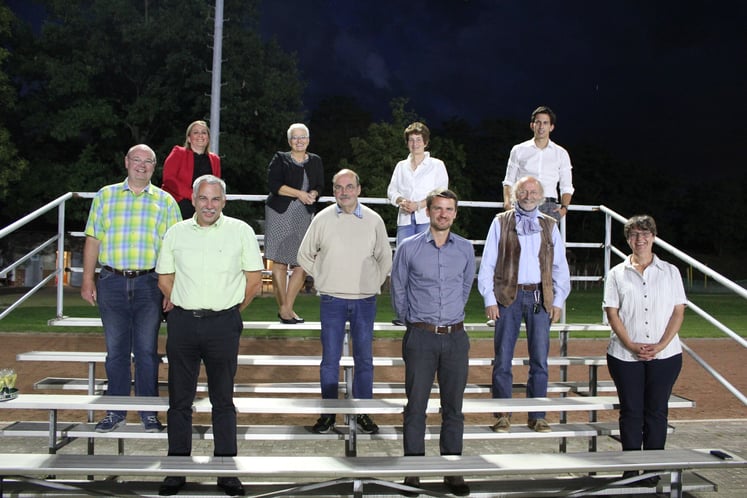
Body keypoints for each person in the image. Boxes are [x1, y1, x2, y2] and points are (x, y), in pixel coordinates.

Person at [155, 175, 264, 497]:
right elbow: (164, 279)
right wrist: (186, 302)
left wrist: (229, 310)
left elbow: (254, 281)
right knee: (179, 400)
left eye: (215, 199)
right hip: (183, 324)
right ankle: (177, 469)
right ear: (192, 199)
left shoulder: (241, 231)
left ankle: (226, 470)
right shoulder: (175, 233)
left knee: (223, 400)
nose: (209, 205)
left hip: (223, 324)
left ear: (224, 201)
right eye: (203, 198)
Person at [81, 144, 182, 433]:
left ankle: (149, 413)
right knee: (116, 352)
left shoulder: (165, 201)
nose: (142, 165)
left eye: (148, 161)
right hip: (112, 282)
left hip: (149, 283)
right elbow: (93, 239)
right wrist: (87, 279)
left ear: (154, 166)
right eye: (136, 159)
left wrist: (171, 288)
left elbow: (175, 249)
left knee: (147, 351)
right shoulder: (105, 196)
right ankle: (116, 411)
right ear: (126, 162)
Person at [390, 189, 475, 497]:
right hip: (420, 337)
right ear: (427, 212)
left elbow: (465, 286)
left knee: (454, 408)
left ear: (455, 213)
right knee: (416, 407)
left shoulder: (465, 248)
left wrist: (450, 317)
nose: (443, 214)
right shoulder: (409, 247)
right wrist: (413, 321)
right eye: (438, 208)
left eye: (449, 209)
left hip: (456, 338)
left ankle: (452, 471)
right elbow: (398, 287)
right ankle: (413, 471)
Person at [297, 169, 392, 435]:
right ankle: (328, 414)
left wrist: (373, 283)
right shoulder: (322, 218)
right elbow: (304, 254)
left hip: (364, 300)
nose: (344, 192)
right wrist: (323, 277)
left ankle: (363, 412)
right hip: (332, 300)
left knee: (365, 360)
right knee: (330, 360)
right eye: (339, 187)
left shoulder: (373, 220)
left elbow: (385, 258)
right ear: (333, 191)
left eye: (349, 186)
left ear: (359, 190)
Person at [477, 176, 571, 433]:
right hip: (508, 296)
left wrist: (558, 300)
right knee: (503, 359)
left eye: (533, 192)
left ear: (541, 196)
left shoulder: (550, 225)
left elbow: (560, 267)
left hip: (540, 297)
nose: (528, 196)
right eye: (523, 192)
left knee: (539, 359)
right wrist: (489, 298)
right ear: (515, 195)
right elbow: (488, 263)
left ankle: (537, 415)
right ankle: (502, 415)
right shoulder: (500, 221)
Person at [603, 215, 685, 485]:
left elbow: (678, 312)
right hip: (624, 355)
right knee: (631, 412)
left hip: (666, 355)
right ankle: (630, 470)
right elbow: (612, 313)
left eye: (645, 233)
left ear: (654, 237)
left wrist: (660, 345)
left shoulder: (670, 272)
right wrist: (630, 344)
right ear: (628, 239)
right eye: (634, 234)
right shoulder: (616, 273)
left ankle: (652, 470)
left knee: (656, 411)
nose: (640, 239)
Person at [264, 123, 324, 324]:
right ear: (290, 141)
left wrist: (313, 193)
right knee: (280, 262)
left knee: (302, 263)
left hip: (303, 214)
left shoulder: (315, 160)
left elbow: (319, 185)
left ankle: (286, 308)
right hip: (280, 213)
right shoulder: (280, 158)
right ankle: (287, 312)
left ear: (308, 139)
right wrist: (300, 194)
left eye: (303, 137)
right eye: (295, 137)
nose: (299, 141)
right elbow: (274, 185)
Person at [502, 106, 574, 222]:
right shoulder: (518, 150)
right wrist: (507, 204)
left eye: (545, 123)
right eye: (538, 122)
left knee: (547, 235)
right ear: (532, 125)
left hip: (549, 205)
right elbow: (509, 181)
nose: (541, 126)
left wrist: (564, 209)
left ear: (551, 127)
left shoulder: (561, 153)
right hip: (522, 203)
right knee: (517, 234)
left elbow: (566, 186)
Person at [387, 121, 449, 246]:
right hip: (405, 220)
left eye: (418, 140)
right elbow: (391, 191)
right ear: (407, 143)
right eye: (411, 140)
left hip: (428, 219)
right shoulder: (401, 166)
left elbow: (441, 193)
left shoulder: (437, 165)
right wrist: (401, 201)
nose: (415, 144)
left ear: (425, 142)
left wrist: (419, 205)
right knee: (404, 254)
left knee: (426, 255)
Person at [162, 120, 221, 219]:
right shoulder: (178, 152)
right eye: (196, 132)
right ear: (189, 138)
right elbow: (168, 179)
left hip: (205, 206)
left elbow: (216, 185)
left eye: (204, 132)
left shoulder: (215, 159)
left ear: (208, 138)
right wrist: (193, 195)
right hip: (179, 203)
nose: (200, 135)